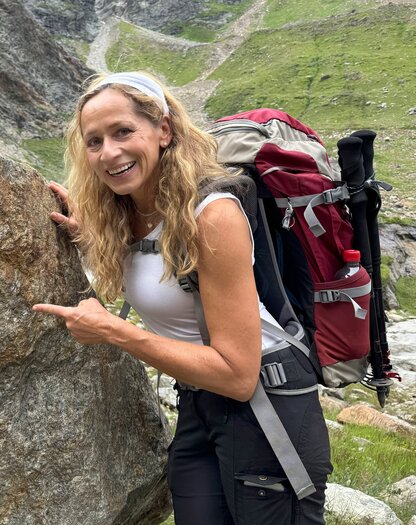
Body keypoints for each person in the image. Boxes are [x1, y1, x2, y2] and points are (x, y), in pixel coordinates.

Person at [32, 71, 332, 524]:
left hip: (267, 405)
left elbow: (237, 374)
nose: (109, 152)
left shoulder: (211, 216)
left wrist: (117, 333)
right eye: (93, 142)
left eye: (123, 132)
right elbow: (157, 268)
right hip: (198, 401)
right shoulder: (129, 213)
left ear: (164, 131)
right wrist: (90, 235)